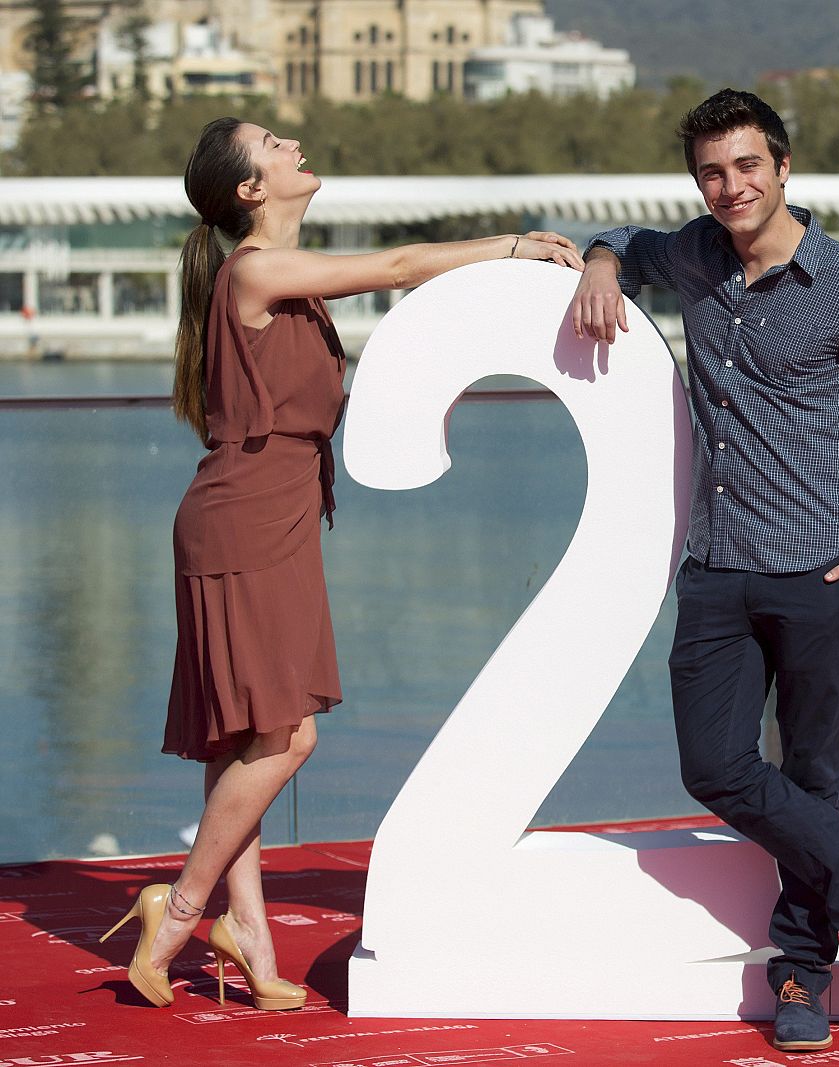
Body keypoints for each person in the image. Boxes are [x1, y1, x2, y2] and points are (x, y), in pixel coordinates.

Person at [99, 116, 583, 1012]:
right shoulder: (257, 269)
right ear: (250, 190)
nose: (292, 146)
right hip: (243, 521)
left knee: (247, 738)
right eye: (272, 145)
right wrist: (513, 246)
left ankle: (249, 934)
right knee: (287, 736)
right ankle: (179, 910)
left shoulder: (282, 281)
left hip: (267, 516)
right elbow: (397, 270)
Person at [571, 89, 839, 1051]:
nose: (730, 186)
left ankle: (802, 976)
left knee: (814, 777)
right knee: (716, 766)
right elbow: (622, 235)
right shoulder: (696, 253)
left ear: (783, 168)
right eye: (711, 172)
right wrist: (607, 261)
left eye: (747, 166)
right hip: (716, 572)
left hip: (820, 579)